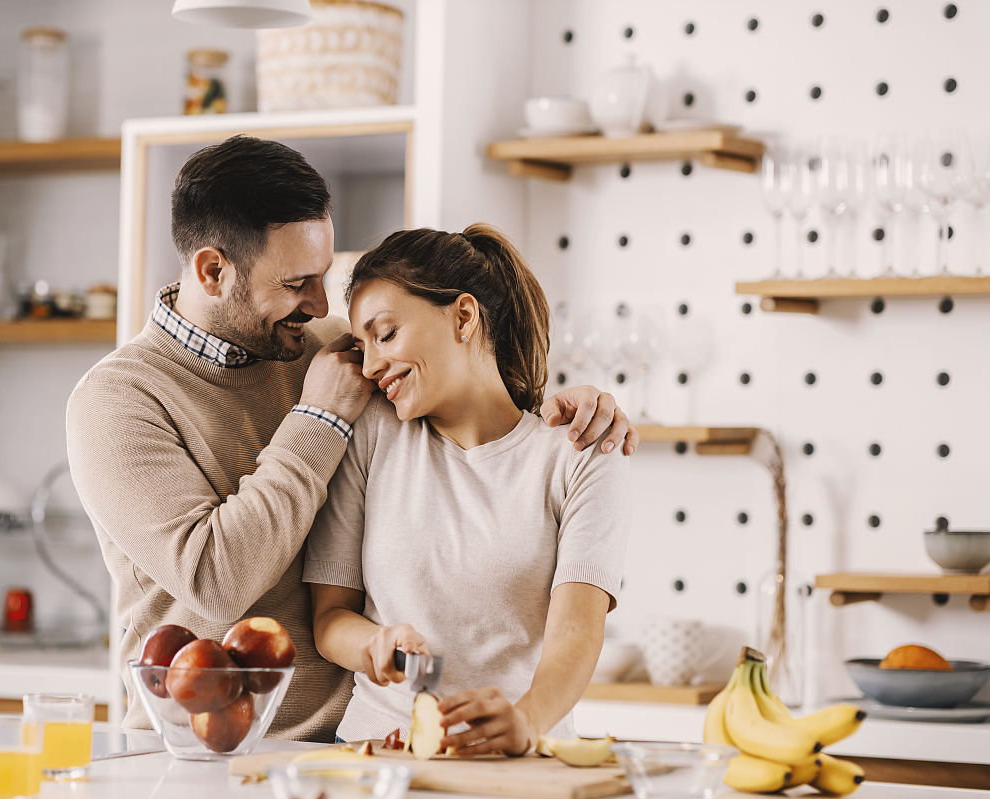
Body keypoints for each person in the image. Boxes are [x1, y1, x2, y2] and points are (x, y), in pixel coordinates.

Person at [66, 135, 637, 741]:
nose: (317, 305)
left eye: (324, 277)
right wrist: (318, 421)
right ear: (213, 270)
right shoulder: (116, 402)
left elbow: (461, 382)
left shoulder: (329, 346)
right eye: (297, 282)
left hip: (351, 747)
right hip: (200, 753)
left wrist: (569, 407)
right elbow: (215, 580)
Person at [305, 224, 629, 755]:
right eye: (361, 346)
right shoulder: (371, 432)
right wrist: (374, 644)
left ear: (463, 317)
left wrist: (525, 722)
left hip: (520, 758)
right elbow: (330, 619)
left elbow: (577, 631)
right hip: (377, 754)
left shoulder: (581, 453)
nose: (369, 366)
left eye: (385, 334)